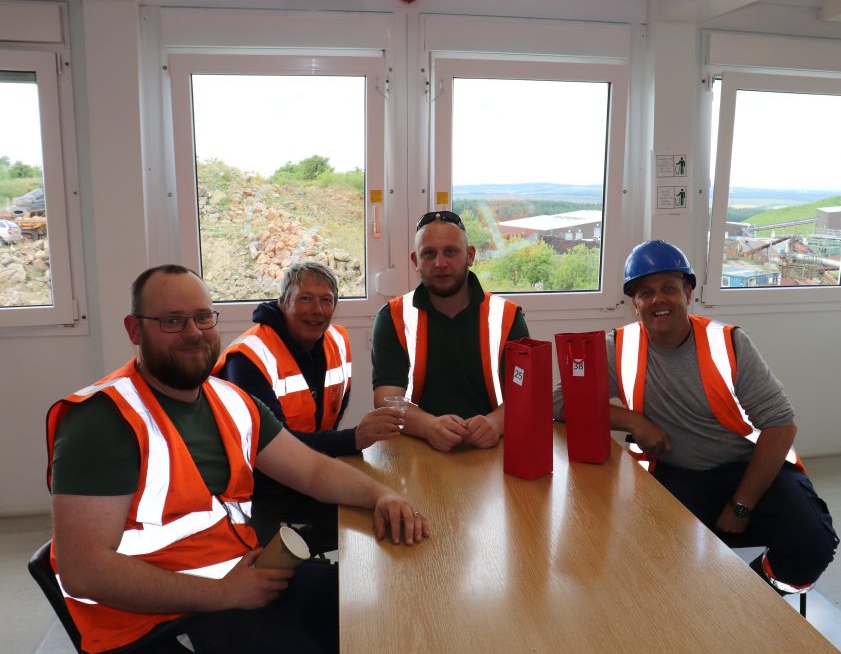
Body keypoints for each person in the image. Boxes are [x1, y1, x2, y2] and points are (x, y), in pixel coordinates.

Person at [47, 265, 429, 654]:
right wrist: (222, 593)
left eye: (202, 318)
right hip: (159, 621)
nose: (193, 333)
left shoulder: (228, 401)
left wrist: (382, 496)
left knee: (380, 611)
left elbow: (312, 470)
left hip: (241, 579)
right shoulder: (101, 422)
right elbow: (83, 571)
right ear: (134, 330)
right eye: (172, 321)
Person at [553, 240, 838, 595]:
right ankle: (690, 611)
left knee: (813, 544)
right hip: (677, 473)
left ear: (688, 293)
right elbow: (559, 402)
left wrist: (741, 505)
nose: (658, 300)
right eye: (646, 293)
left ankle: (755, 599)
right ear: (634, 304)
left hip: (748, 467)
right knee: (645, 553)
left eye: (668, 288)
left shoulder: (728, 343)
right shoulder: (620, 347)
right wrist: (633, 422)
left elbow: (781, 426)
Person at [214, 261, 402, 549]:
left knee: (375, 519)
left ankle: (307, 552)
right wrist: (353, 439)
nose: (317, 310)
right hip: (257, 486)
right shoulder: (248, 359)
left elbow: (330, 418)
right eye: (305, 299)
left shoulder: (336, 341)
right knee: (268, 559)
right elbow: (273, 450)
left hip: (312, 472)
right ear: (283, 302)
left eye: (326, 300)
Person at [371, 210, 530, 452]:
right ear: (415, 261)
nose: (440, 263)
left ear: (470, 255)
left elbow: (526, 393)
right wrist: (428, 426)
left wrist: (496, 423)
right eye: (429, 254)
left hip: (492, 448)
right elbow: (386, 398)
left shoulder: (507, 317)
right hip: (417, 448)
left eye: (450, 252)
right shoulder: (392, 317)